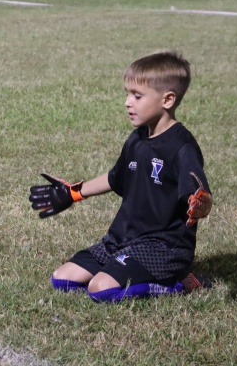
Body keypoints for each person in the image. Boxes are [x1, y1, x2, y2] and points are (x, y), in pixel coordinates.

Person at [28, 50, 213, 303]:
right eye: (127, 94)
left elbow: (198, 195)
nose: (127, 102)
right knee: (62, 279)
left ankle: (180, 284)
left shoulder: (182, 146)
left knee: (100, 289)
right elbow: (116, 178)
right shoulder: (137, 138)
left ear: (168, 100)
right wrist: (73, 193)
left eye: (137, 96)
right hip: (121, 241)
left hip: (162, 248)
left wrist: (202, 206)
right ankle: (123, 269)